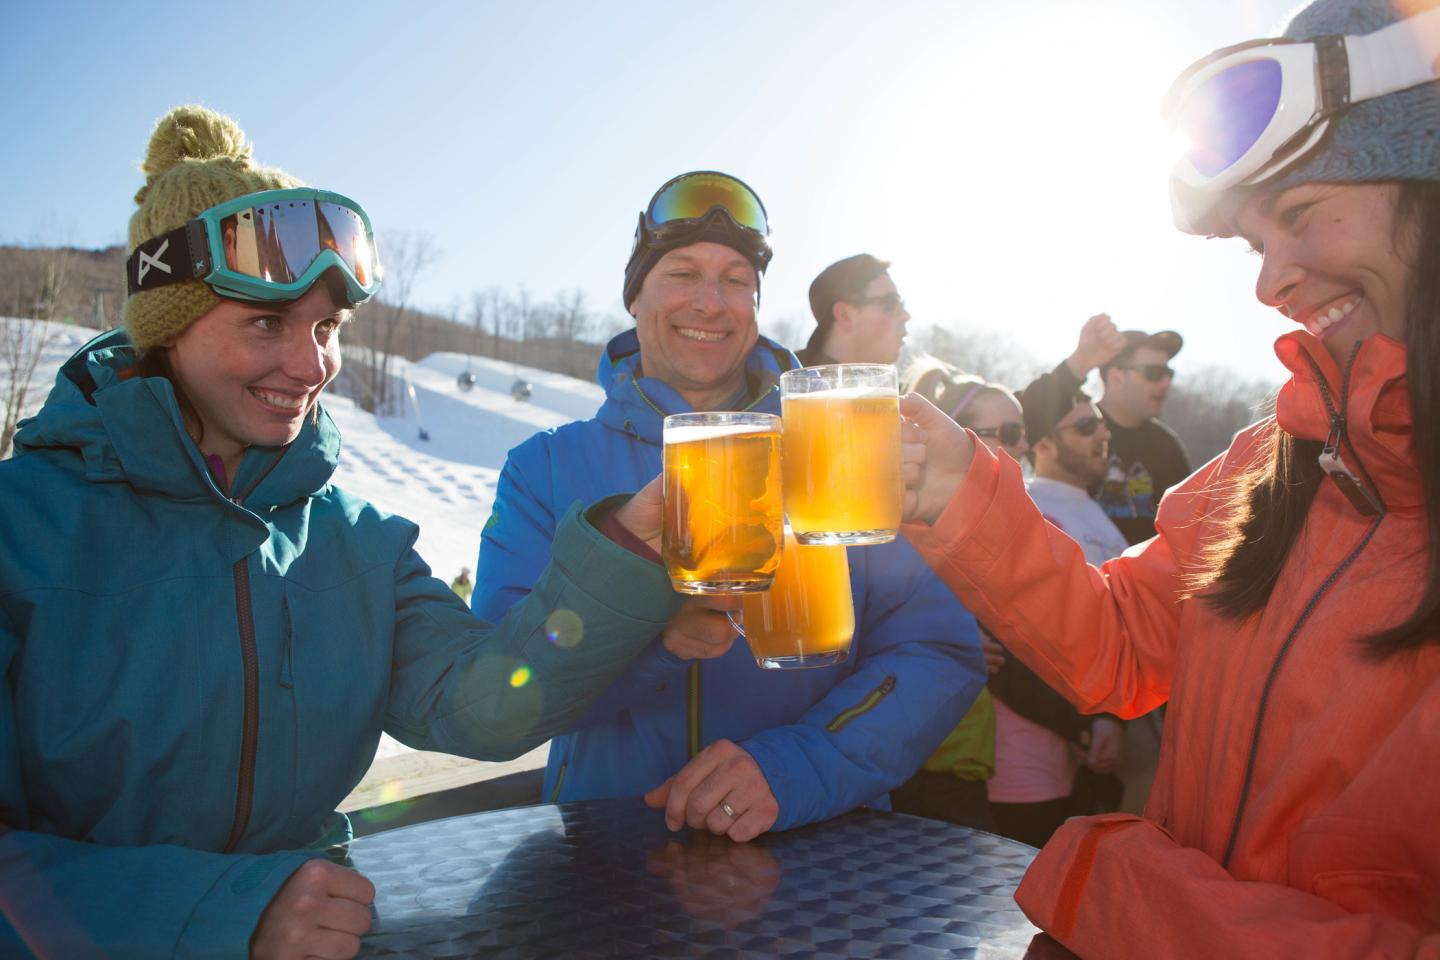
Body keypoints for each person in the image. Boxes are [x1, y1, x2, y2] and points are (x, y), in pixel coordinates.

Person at [0, 107, 686, 960]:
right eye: (266, 323)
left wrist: (623, 546)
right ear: (167, 329)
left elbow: (485, 706)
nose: (311, 363)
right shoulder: (22, 531)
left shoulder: (358, 543)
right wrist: (224, 914)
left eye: (326, 328)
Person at [897, 0, 1440, 953]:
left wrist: (1134, 901)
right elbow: (1121, 647)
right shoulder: (1273, 465)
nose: (1269, 282)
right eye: (1255, 242)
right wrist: (953, 493)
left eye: (1301, 214)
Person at [474, 171, 985, 843]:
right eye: (683, 273)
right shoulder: (546, 469)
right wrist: (652, 638)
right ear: (635, 298)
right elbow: (495, 698)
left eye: (737, 279)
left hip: (818, 851)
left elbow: (937, 648)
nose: (711, 303)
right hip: (607, 857)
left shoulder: (837, 444)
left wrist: (800, 765)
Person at [983, 381, 1128, 847]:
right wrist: (1086, 724)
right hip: (1018, 762)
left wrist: (1110, 720)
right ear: (1042, 444)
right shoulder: (1025, 503)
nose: (1101, 432)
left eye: (1101, 421)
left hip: (1082, 757)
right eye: (1085, 425)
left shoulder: (1103, 520)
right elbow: (1007, 637)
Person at [796, 253, 909, 366]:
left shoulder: (903, 383)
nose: (905, 316)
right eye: (891, 303)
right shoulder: (783, 380)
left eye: (902, 304)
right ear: (845, 315)